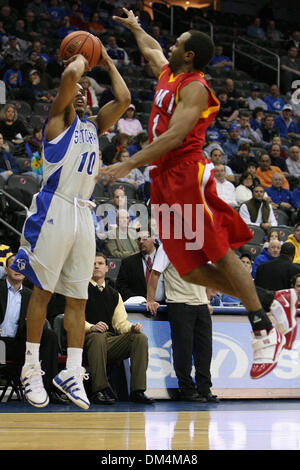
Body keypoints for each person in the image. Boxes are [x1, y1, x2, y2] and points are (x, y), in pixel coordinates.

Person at [98, 8, 293, 380]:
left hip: (186, 173)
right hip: (163, 180)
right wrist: (136, 27)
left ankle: (261, 327)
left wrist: (128, 163)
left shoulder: (195, 88)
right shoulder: (170, 73)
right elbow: (153, 49)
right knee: (189, 267)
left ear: (188, 55)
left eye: (177, 43)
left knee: (217, 251)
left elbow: (173, 137)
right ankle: (269, 299)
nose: (169, 46)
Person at [10, 46, 131, 409]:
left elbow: (123, 98)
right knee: (43, 293)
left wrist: (107, 59)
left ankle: (72, 371)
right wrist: (79, 58)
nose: (79, 93)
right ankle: (31, 368)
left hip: (84, 214)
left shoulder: (94, 127)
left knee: (78, 298)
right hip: (54, 209)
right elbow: (67, 78)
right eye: (75, 92)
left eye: (84, 92)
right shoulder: (57, 124)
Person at [146, 243, 218, 402]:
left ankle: (205, 388)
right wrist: (150, 299)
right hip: (179, 303)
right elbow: (155, 273)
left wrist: (206, 300)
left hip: (201, 305)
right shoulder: (167, 247)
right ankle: (186, 389)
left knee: (205, 350)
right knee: (183, 350)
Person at [83, 253, 153, 404]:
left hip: (108, 341)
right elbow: (72, 319)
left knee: (140, 338)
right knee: (97, 336)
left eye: (100, 263)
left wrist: (132, 328)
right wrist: (91, 327)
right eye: (93, 263)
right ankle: (99, 390)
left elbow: (120, 323)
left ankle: (137, 391)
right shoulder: (80, 290)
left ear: (107, 268)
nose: (96, 266)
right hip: (84, 339)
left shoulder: (114, 295)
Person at [0, 255, 68, 404]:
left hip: (19, 344)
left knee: (49, 336)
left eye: (21, 266)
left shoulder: (32, 296)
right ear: (5, 269)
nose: (18, 269)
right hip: (0, 344)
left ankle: (50, 389)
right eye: (13, 265)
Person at [116, 228, 165, 304]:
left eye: (145, 238)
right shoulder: (128, 262)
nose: (141, 241)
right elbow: (121, 287)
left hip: (163, 307)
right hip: (139, 308)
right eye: (138, 239)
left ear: (154, 238)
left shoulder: (165, 259)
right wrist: (139, 300)